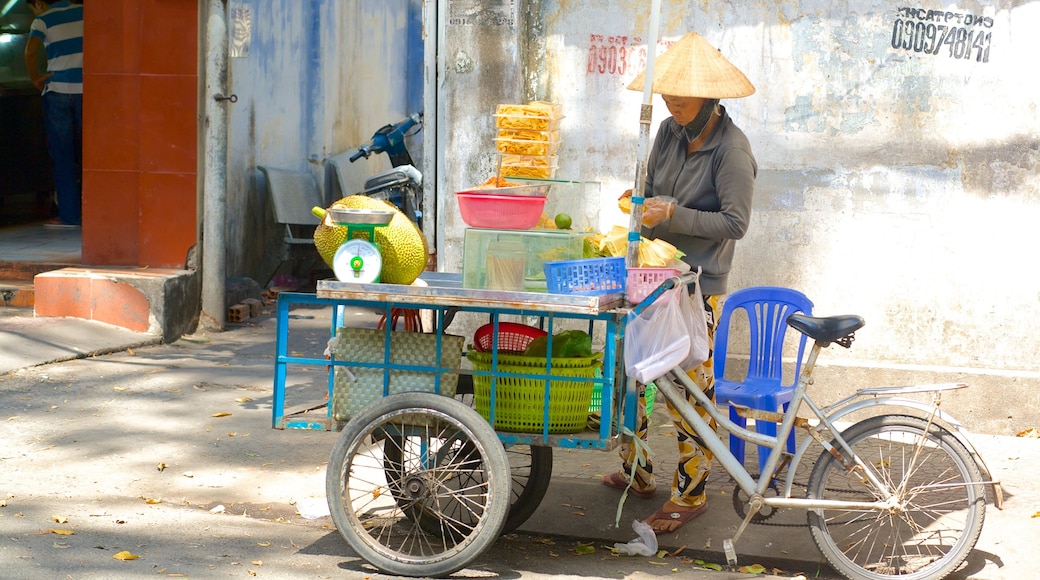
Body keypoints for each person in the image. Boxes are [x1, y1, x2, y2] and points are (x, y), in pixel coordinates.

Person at [601, 32, 757, 534]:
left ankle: (690, 496)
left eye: (682, 94)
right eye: (668, 91)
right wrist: (639, 199)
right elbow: (652, 188)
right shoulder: (668, 131)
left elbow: (735, 224)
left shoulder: (731, 151)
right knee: (633, 373)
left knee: (689, 389)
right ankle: (637, 472)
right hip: (652, 274)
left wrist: (676, 214)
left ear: (712, 97)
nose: (672, 100)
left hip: (699, 286)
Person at [24, 0, 84, 228]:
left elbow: (30, 51)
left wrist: (35, 77)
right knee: (91, 155)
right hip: (88, 91)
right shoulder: (86, 13)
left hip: (57, 91)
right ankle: (97, 212)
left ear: (39, 3)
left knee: (62, 157)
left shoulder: (43, 20)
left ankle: (69, 216)